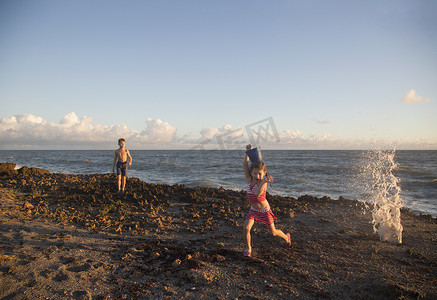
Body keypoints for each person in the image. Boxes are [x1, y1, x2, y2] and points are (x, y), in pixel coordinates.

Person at [243, 144, 291, 257]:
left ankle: (286, 237)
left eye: (260, 174)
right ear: (251, 173)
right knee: (246, 228)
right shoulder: (249, 179)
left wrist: (264, 181)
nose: (257, 176)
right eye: (255, 173)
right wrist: (248, 152)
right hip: (253, 210)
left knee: (273, 233)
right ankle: (248, 248)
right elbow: (245, 164)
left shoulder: (263, 183)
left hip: (264, 211)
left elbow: (257, 193)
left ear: (264, 173)